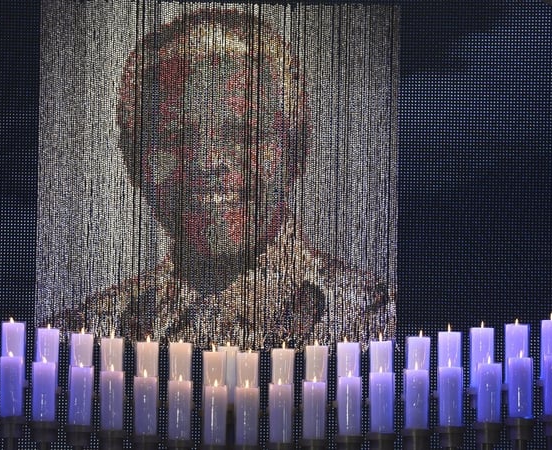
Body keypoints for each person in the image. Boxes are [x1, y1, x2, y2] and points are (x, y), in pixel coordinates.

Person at [65, 8, 395, 349]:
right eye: (175, 137)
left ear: (295, 153)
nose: (207, 162)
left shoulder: (372, 324)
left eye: (244, 135)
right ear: (135, 163)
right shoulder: (88, 336)